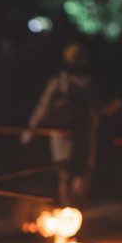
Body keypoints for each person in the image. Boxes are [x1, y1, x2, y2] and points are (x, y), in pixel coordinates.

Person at [22, 43, 99, 206]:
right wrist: (30, 131)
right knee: (69, 173)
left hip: (79, 134)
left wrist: (30, 131)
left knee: (75, 174)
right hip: (65, 134)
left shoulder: (82, 83)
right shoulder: (60, 83)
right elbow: (43, 107)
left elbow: (94, 111)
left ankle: (74, 209)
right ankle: (69, 210)